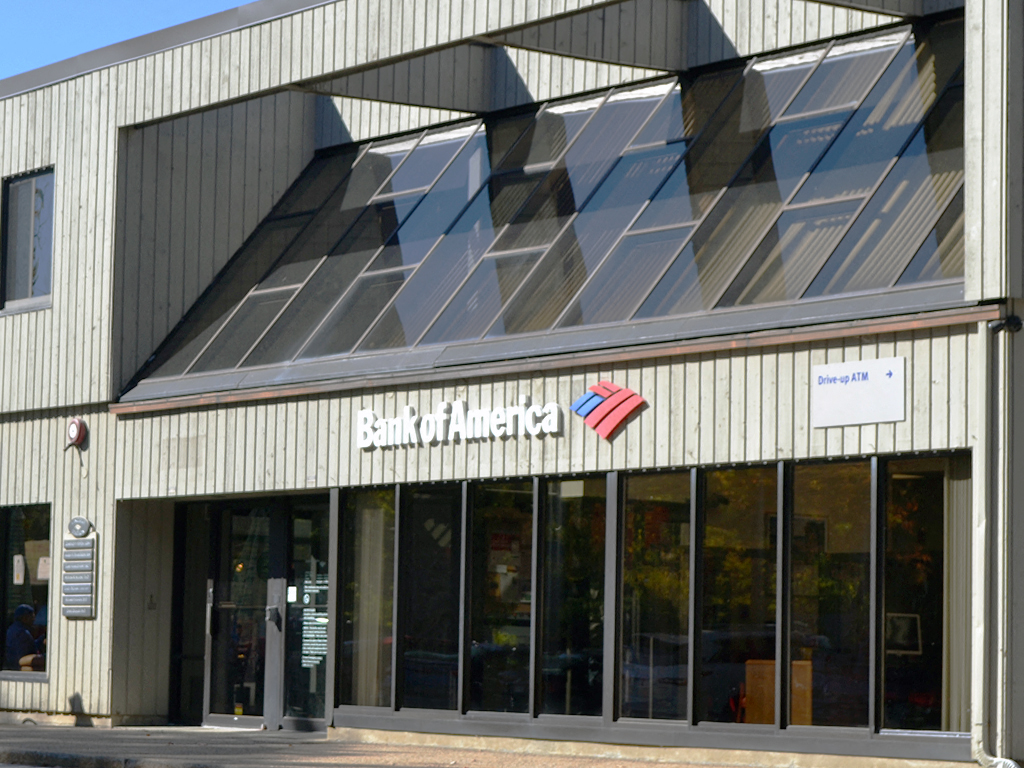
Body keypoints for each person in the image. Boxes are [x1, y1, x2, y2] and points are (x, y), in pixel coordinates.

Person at [4, 604, 43, 671]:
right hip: (17, 665)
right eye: (32, 616)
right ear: (24, 618)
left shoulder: (11, 629)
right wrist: (41, 640)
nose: (34, 620)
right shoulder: (22, 632)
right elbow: (29, 650)